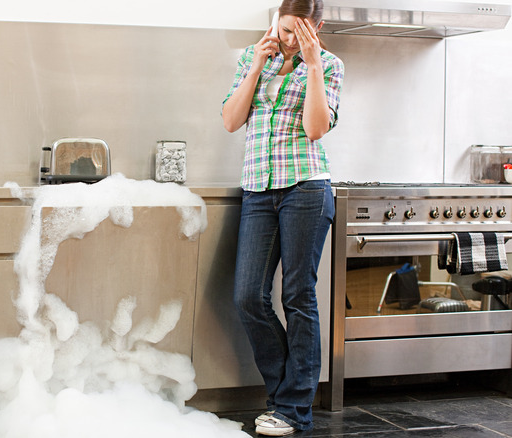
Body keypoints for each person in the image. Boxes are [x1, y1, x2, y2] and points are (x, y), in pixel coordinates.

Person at [221, 0, 344, 436]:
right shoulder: (257, 59)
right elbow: (231, 120)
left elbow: (315, 129)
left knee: (297, 296)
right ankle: (283, 396)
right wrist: (254, 66)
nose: (289, 39)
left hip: (305, 188)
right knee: (248, 296)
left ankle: (293, 410)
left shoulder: (329, 65)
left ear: (318, 27)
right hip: (258, 189)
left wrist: (310, 65)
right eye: (284, 29)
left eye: (299, 32)